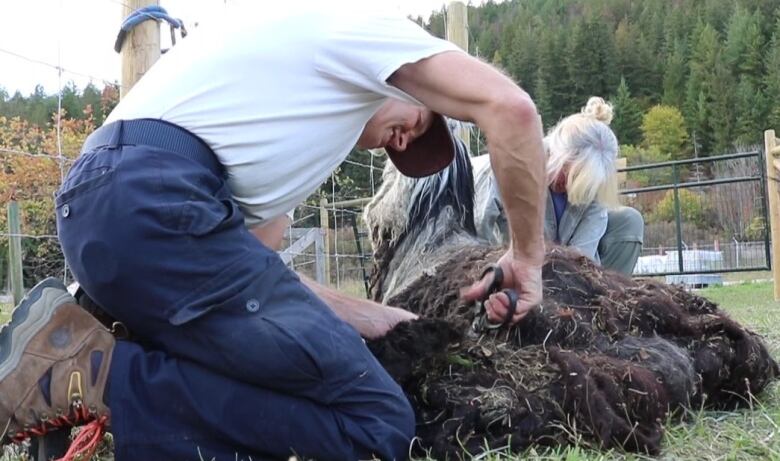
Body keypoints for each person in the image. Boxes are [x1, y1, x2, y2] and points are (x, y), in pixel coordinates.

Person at [0, 4, 547, 460]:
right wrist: (526, 256)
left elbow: (260, 287)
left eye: (406, 149)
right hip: (154, 200)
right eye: (424, 120)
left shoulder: (271, 125)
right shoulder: (368, 30)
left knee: (263, 381)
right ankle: (96, 377)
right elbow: (510, 110)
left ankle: (82, 357)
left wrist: (380, 318)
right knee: (377, 423)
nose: (404, 142)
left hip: (108, 208)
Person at [472, 97, 644, 275]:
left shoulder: (592, 190)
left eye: (578, 181)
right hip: (506, 265)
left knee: (629, 220)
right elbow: (478, 234)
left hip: (553, 273)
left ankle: (609, 299)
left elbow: (582, 259)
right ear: (557, 153)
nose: (568, 186)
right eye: (567, 173)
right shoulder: (510, 163)